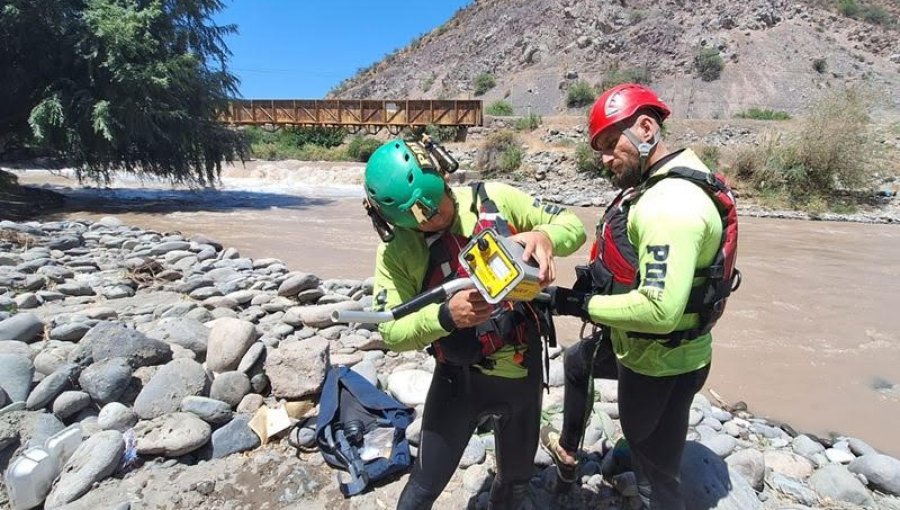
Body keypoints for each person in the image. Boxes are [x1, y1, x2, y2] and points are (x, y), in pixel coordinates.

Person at [542, 83, 740, 510]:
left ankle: (644, 464)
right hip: (676, 352)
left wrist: (574, 304)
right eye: (601, 150)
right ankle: (572, 451)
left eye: (612, 145)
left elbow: (659, 309)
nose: (605, 159)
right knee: (579, 361)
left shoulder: (667, 205)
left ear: (646, 128)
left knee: (657, 477)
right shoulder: (675, 180)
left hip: (656, 363)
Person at [364, 138, 586, 510]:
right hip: (457, 382)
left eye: (439, 206)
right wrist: (445, 316)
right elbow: (390, 329)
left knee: (515, 482)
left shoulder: (495, 197)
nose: (436, 218)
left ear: (444, 176)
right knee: (423, 487)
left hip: (522, 377)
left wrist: (545, 236)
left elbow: (573, 225)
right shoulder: (397, 250)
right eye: (421, 220)